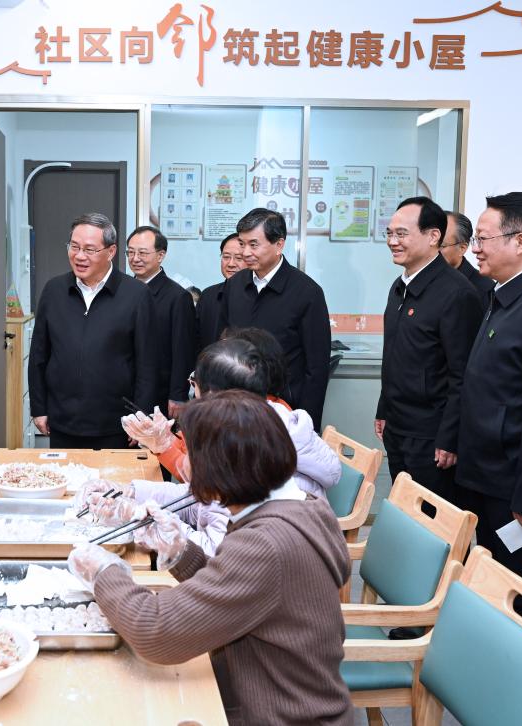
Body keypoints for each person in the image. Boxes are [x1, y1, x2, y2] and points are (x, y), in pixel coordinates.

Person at [69, 391, 353, 726]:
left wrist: (104, 572)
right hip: (276, 702)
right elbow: (240, 592)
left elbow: (156, 632)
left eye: (191, 455)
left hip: (278, 715)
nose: (185, 465)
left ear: (220, 471)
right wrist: (180, 554)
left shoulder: (265, 543)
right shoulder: (299, 506)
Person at [96, 336, 340, 555]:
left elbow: (216, 555)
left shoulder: (253, 455)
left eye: (194, 382)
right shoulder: (255, 426)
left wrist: (149, 523)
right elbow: (200, 502)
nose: (192, 392)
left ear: (214, 396)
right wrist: (131, 493)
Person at [453, 193, 522, 625]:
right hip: (486, 471)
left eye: (485, 238)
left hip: (513, 485)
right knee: (489, 579)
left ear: (520, 241)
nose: (475, 247)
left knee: (518, 595)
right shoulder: (503, 293)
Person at [375, 197, 482, 505]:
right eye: (389, 233)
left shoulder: (457, 293)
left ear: (433, 236)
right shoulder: (399, 286)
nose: (393, 242)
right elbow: (395, 354)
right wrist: (384, 408)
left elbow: (462, 374)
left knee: (433, 527)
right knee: (404, 516)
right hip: (398, 428)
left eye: (402, 234)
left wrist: (450, 438)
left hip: (432, 438)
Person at [28, 212, 156, 449]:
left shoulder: (136, 295)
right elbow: (39, 355)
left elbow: (147, 363)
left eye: (89, 249)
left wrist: (142, 417)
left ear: (111, 252)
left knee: (112, 486)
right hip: (63, 420)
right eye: (74, 247)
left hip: (116, 423)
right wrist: (39, 408)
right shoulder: (54, 290)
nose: (79, 256)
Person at [216, 208, 331, 430]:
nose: (245, 252)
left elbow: (316, 368)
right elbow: (223, 344)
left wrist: (307, 423)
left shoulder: (307, 292)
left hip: (284, 412)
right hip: (235, 407)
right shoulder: (235, 285)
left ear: (279, 244)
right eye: (242, 243)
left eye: (253, 244)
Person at [126, 225, 196, 418]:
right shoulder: (122, 291)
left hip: (160, 393)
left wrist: (178, 395)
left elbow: (183, 351)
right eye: (130, 252)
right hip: (124, 391)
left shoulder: (177, 297)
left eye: (142, 253)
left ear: (161, 255)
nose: (135, 258)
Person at [195, 232, 245, 351]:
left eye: (239, 258)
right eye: (226, 257)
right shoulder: (208, 295)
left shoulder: (259, 295)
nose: (231, 264)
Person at [441, 210, 494, 312]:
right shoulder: (417, 279)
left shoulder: (481, 289)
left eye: (441, 246)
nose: (431, 251)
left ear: (462, 248)